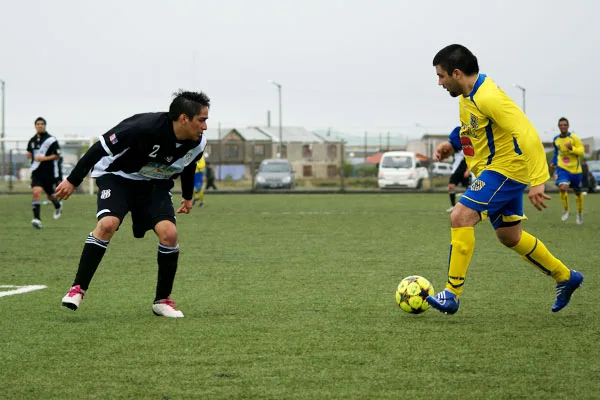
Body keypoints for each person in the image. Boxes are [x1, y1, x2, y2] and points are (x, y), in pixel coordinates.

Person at [426, 44, 583, 315]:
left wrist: (538, 180)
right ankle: (566, 277)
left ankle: (451, 294)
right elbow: (472, 126)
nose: (439, 82)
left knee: (460, 216)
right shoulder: (468, 95)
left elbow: (527, 133)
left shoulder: (489, 97)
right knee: (510, 236)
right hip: (497, 169)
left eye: (441, 76)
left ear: (457, 73)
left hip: (505, 169)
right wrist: (452, 144)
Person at [55, 90, 210, 318]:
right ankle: (77, 289)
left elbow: (187, 166)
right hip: (117, 176)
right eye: (202, 120)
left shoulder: (197, 143)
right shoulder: (141, 127)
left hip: (154, 182)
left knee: (169, 234)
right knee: (108, 224)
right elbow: (98, 149)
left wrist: (187, 197)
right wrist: (72, 180)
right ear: (184, 118)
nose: (205, 126)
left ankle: (162, 301)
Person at [26, 117, 63, 228]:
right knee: (36, 192)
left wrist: (44, 158)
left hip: (49, 173)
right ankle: (37, 219)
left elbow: (57, 155)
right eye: (38, 124)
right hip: (37, 173)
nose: (40, 125)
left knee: (50, 195)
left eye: (42, 124)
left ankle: (57, 206)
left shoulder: (51, 139)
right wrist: (29, 156)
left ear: (45, 126)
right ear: (35, 126)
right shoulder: (32, 140)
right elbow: (29, 153)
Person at [550, 118, 585, 224]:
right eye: (561, 125)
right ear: (558, 126)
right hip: (562, 168)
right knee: (562, 187)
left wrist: (572, 148)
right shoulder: (556, 139)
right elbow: (557, 153)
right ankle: (566, 209)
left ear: (568, 126)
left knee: (578, 193)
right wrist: (553, 161)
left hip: (575, 170)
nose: (563, 126)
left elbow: (581, 152)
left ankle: (579, 213)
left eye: (565, 125)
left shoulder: (574, 138)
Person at [446, 127, 471, 213]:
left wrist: (468, 170)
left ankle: (471, 207)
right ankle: (453, 206)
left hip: (464, 171)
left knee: (469, 189)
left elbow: (471, 159)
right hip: (455, 171)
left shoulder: (467, 146)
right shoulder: (454, 147)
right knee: (451, 186)